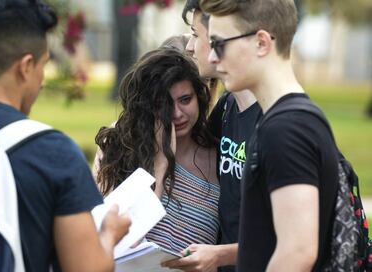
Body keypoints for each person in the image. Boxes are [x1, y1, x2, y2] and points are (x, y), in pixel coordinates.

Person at [0, 0, 130, 271]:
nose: (41, 78)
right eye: (43, 65)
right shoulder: (53, 153)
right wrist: (109, 234)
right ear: (25, 66)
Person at [201, 0, 339, 271]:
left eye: (219, 44)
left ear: (262, 43)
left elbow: (297, 252)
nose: (212, 58)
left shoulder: (286, 130)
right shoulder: (291, 119)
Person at [163, 1, 261, 271]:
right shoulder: (228, 108)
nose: (191, 47)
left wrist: (220, 255)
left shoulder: (277, 123)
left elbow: (296, 240)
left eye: (196, 34)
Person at [94, 48, 220, 253]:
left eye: (185, 100)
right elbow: (121, 243)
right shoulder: (122, 150)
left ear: (200, 98)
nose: (177, 113)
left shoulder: (220, 159)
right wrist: (160, 167)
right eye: (164, 104)